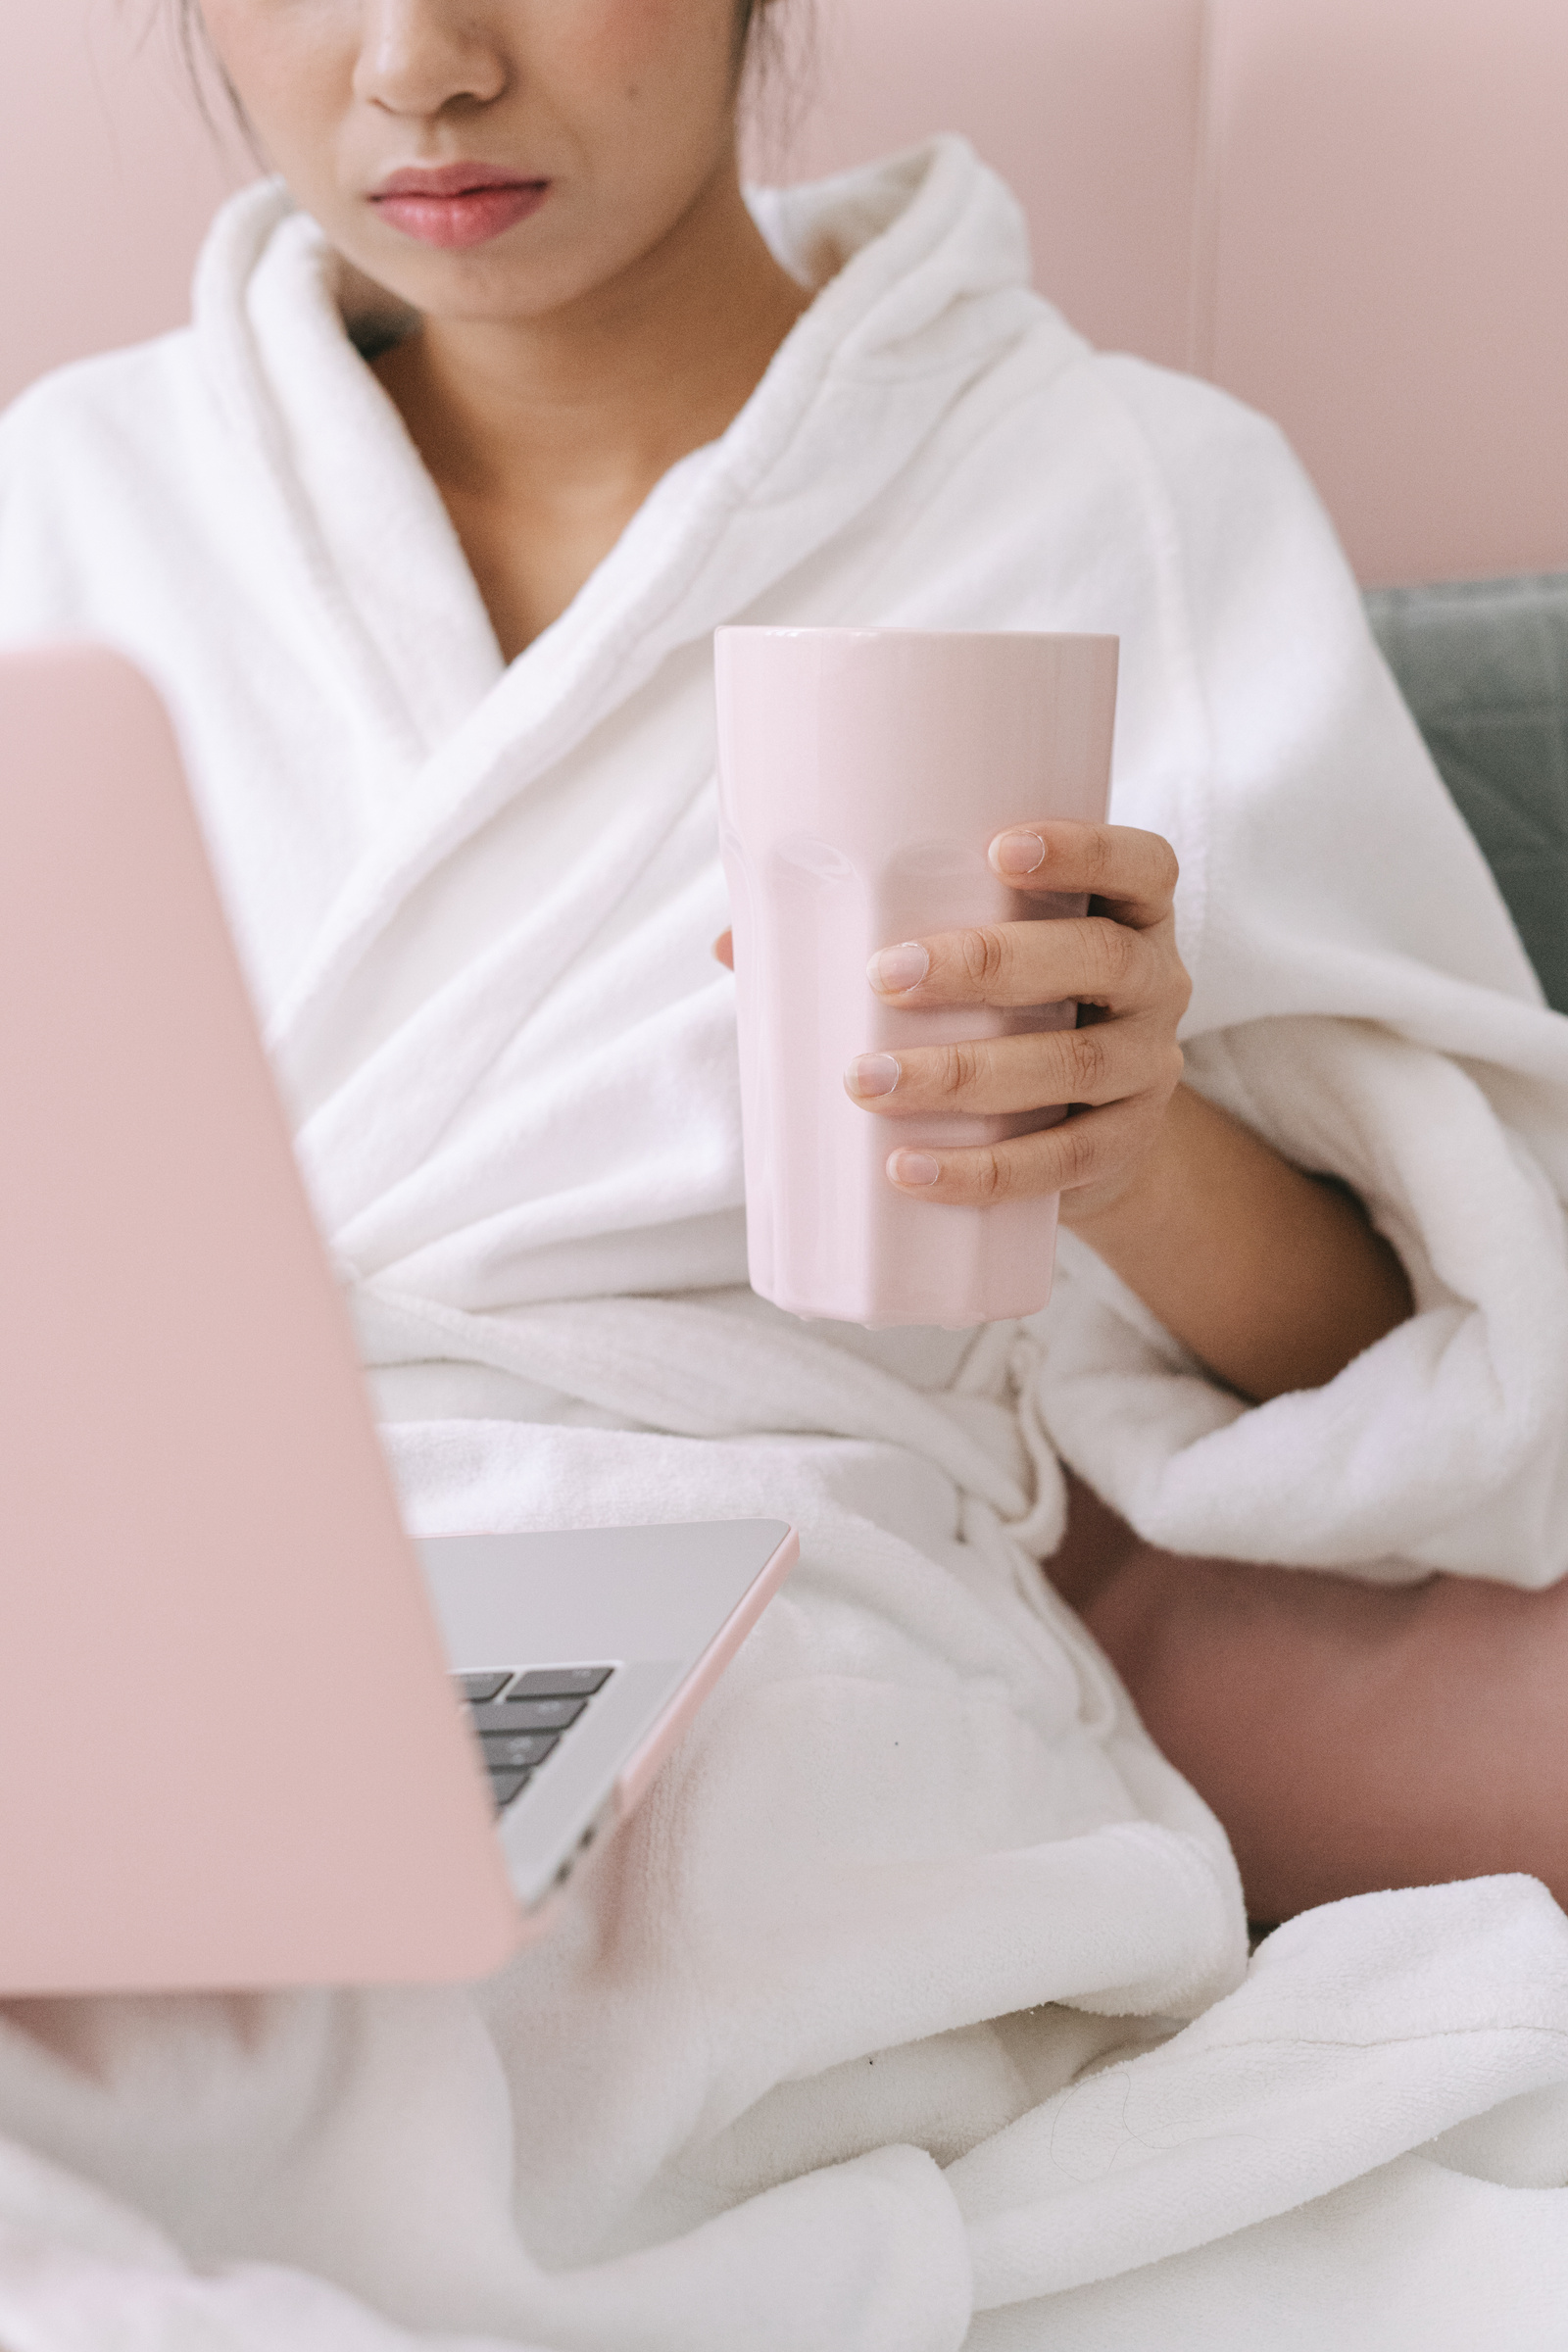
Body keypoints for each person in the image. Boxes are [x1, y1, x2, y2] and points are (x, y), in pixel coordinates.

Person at [3, 3, 1568, 2343]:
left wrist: (1123, 1151)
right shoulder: (77, 492)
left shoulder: (1115, 480)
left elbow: (1454, 1382)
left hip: (786, 1612)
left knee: (442, 2090)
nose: (418, 65)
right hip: (156, 1622)